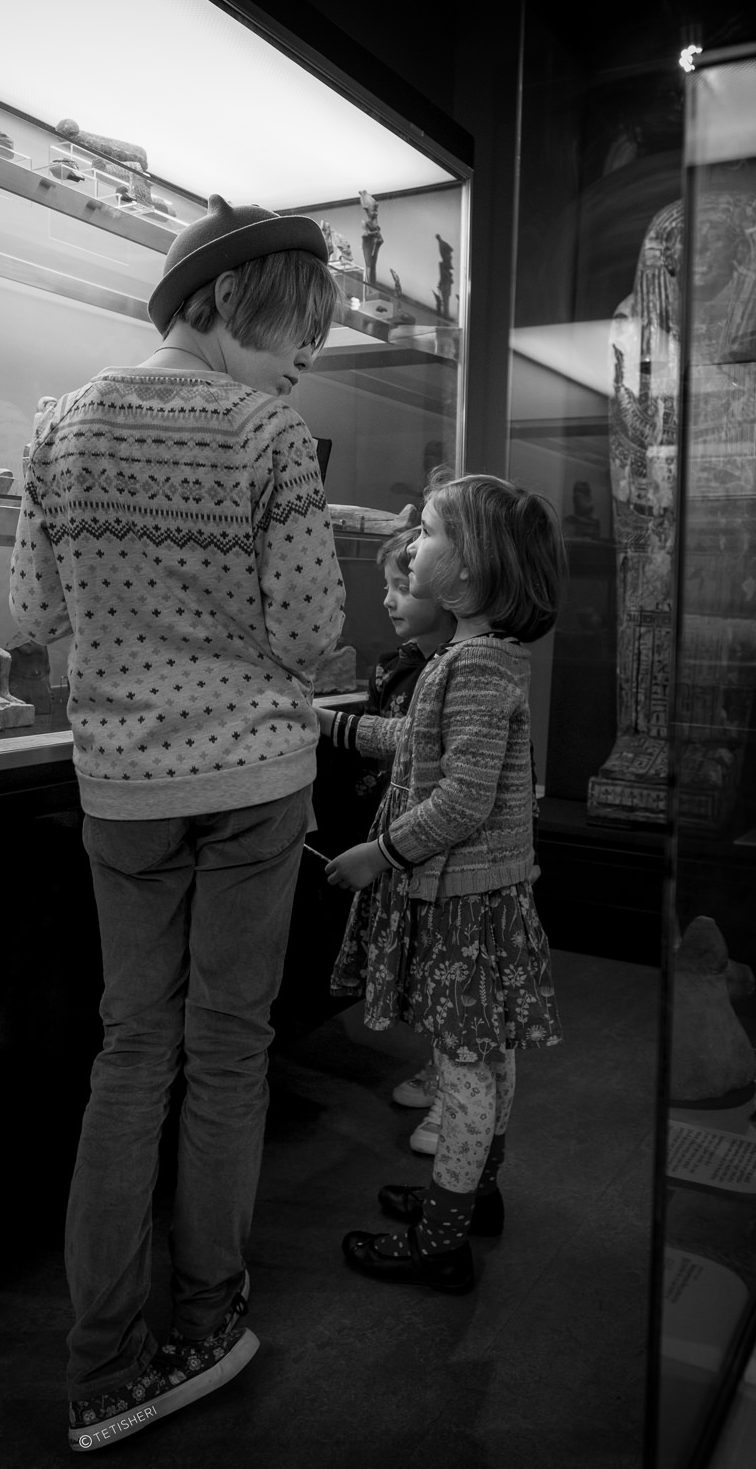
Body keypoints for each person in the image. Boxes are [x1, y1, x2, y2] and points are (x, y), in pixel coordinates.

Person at [9, 193, 346, 1452]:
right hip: (254, 779)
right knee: (229, 1054)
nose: (303, 351)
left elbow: (33, 614)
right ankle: (207, 1320)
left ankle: (100, 1369)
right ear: (222, 303)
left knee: (128, 1055)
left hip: (120, 789)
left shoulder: (59, 425)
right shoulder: (270, 435)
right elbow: (310, 630)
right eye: (292, 324)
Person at [315, 472, 565, 1295]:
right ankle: (471, 1194)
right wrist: (327, 723)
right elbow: (414, 741)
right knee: (483, 1056)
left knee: (463, 1067)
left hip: (462, 903)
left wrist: (378, 855)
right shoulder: (475, 659)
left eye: (425, 532)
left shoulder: (478, 669)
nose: (412, 544)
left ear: (467, 571)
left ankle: (441, 1239)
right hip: (477, 899)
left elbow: (462, 798)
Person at [337, 527, 454, 1147]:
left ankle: (456, 1097)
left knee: (453, 974)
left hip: (449, 850)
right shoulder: (405, 668)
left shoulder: (464, 674)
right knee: (426, 960)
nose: (389, 600)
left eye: (402, 585)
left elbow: (468, 781)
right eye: (387, 585)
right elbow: (400, 741)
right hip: (410, 835)